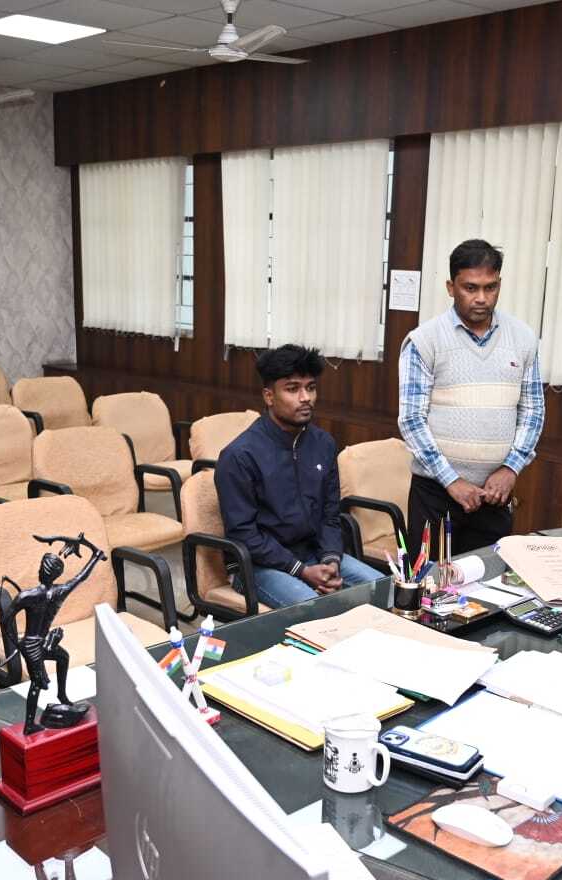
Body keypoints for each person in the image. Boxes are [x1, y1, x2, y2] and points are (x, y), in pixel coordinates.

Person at [398, 239, 543, 561]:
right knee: (430, 583)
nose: (481, 298)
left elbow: (533, 412)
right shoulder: (424, 341)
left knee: (489, 583)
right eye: (470, 288)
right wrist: (451, 480)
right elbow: (411, 420)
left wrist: (511, 468)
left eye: (490, 287)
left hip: (495, 495)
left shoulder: (523, 338)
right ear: (451, 287)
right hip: (435, 495)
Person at [215, 344, 381, 609]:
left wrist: (331, 560)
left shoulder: (323, 444)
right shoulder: (239, 456)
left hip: (314, 554)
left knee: (385, 590)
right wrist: (300, 570)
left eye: (311, 388)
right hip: (257, 566)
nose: (306, 398)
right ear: (269, 396)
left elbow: (330, 515)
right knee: (318, 610)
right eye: (293, 389)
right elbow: (244, 534)